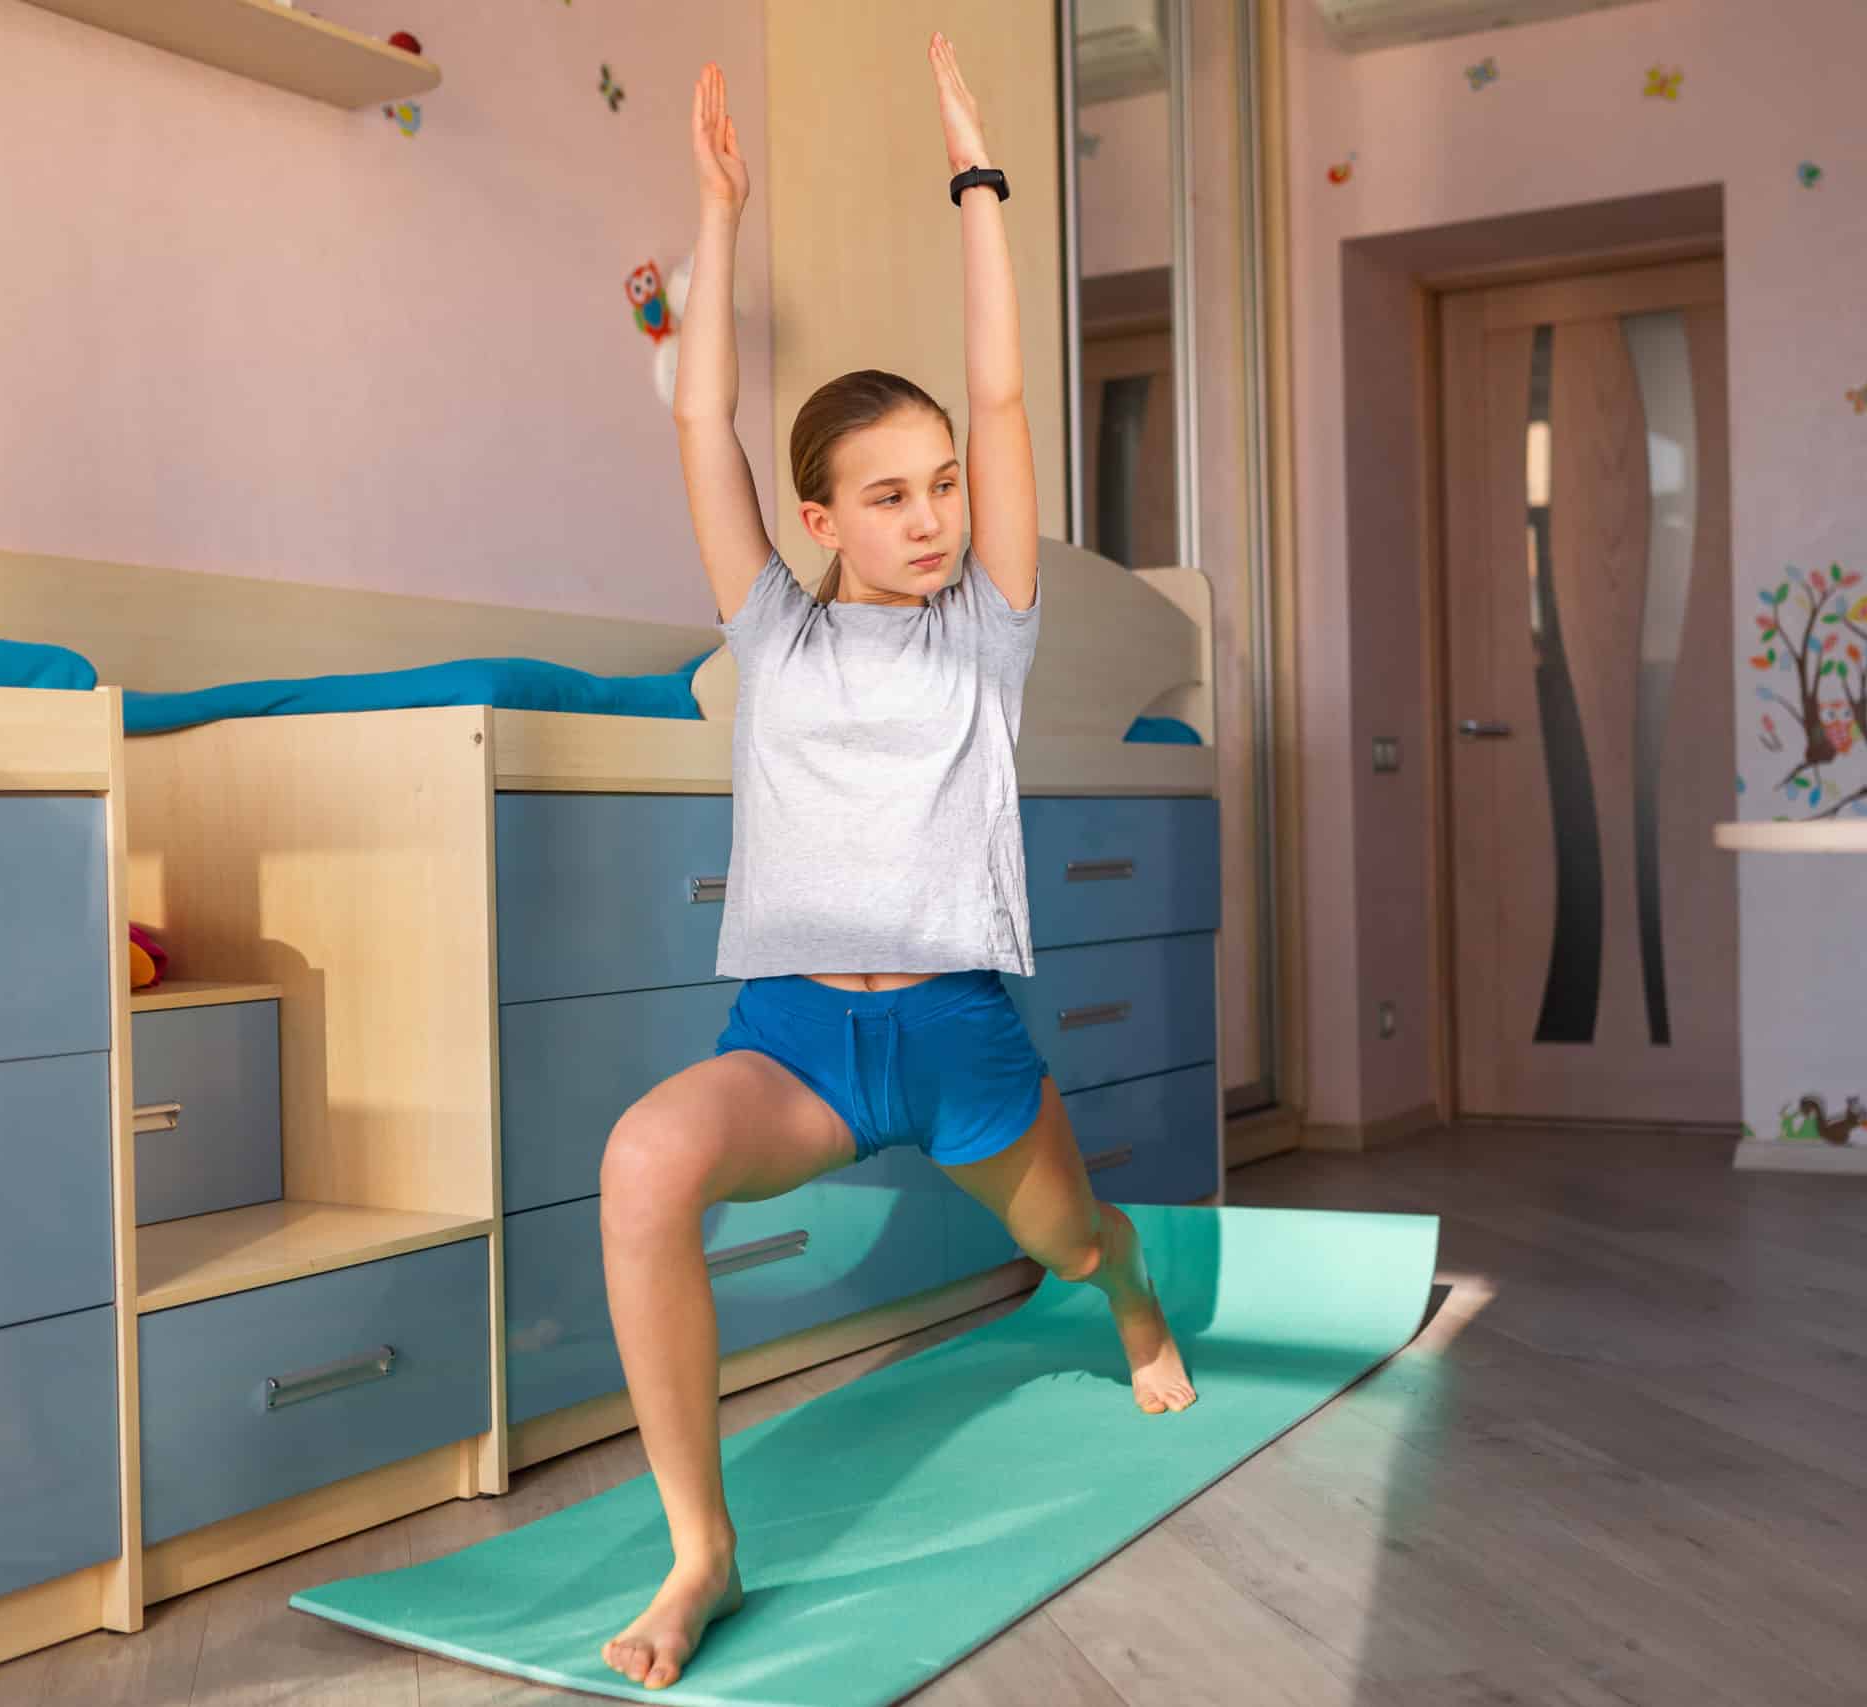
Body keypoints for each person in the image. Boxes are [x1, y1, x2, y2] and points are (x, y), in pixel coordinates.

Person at [595, 37, 1198, 1693]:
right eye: (890, 496)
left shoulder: (986, 636)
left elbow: (1001, 397)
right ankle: (701, 1551)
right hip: (797, 1039)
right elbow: (700, 413)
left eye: (942, 489)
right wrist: (721, 215)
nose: (931, 518)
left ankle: (1134, 1299)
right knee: (642, 1164)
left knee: (1072, 1246)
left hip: (957, 1034)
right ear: (821, 519)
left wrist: (976, 178)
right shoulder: (769, 633)